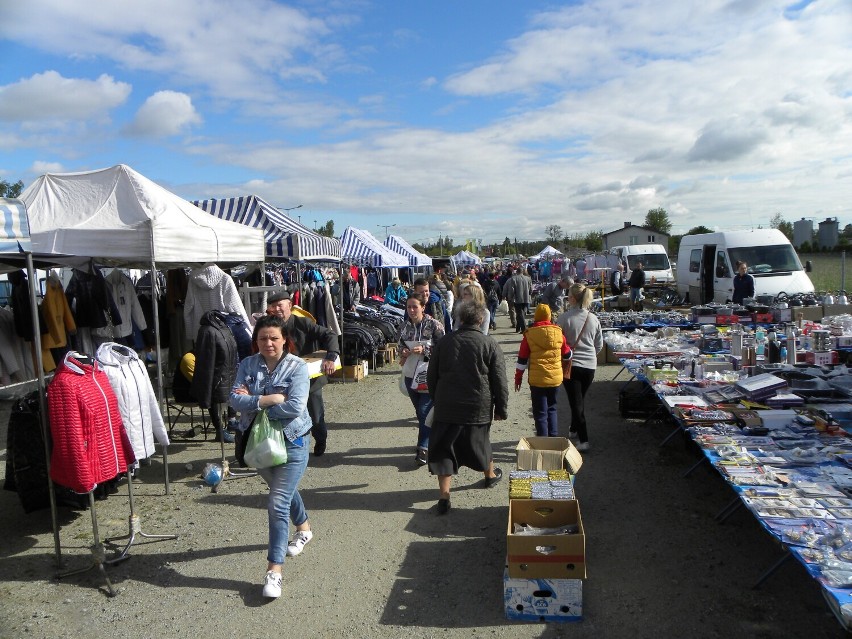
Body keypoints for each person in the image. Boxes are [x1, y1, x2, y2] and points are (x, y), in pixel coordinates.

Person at [229, 315, 314, 599]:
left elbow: (295, 406)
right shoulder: (248, 364)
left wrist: (253, 401)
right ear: (256, 341)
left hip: (293, 441)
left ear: (284, 339)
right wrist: (268, 400)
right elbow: (233, 398)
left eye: (274, 338)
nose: (268, 343)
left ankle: (274, 572)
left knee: (277, 502)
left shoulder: (297, 366)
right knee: (284, 492)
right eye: (263, 338)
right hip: (258, 443)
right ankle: (304, 528)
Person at [427, 300, 508, 514]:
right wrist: (501, 408)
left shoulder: (444, 342)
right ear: (481, 320)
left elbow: (431, 376)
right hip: (477, 406)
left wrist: (437, 399)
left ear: (460, 319)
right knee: (480, 443)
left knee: (444, 448)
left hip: (447, 405)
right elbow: (499, 379)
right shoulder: (489, 343)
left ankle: (444, 497)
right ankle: (489, 476)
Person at [266, 291, 339, 456]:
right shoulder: (268, 326)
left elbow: (329, 334)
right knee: (285, 415)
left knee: (315, 412)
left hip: (309, 379)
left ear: (289, 306)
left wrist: (331, 356)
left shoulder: (302, 322)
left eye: (280, 305)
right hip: (281, 380)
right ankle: (288, 447)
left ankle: (320, 439)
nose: (277, 309)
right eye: (273, 306)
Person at [399, 292, 446, 465]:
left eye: (415, 307)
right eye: (409, 307)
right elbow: (400, 345)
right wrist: (402, 352)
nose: (411, 310)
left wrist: (425, 350)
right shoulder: (404, 326)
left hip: (429, 375)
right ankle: (432, 439)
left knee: (424, 411)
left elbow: (444, 348)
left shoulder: (434, 325)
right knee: (420, 414)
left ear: (422, 307)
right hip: (410, 375)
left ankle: (423, 449)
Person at [556, 283, 603, 451]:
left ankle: (584, 440)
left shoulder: (564, 318)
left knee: (576, 402)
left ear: (573, 298)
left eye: (568, 295)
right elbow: (599, 345)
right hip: (590, 366)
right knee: (579, 399)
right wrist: (590, 356)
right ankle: (574, 428)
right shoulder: (593, 318)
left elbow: (557, 343)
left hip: (571, 365)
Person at [514, 304, 572, 437]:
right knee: (552, 408)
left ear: (536, 317)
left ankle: (543, 443)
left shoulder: (529, 335)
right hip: (555, 379)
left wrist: (518, 378)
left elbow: (522, 360)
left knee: (540, 413)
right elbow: (567, 355)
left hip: (537, 381)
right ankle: (553, 440)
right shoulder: (558, 333)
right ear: (550, 316)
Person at [504, 266, 532, 333]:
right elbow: (531, 289)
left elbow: (512, 290)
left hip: (517, 299)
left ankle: (524, 329)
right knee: (521, 313)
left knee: (519, 313)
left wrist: (510, 297)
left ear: (517, 272)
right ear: (522, 271)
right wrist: (529, 294)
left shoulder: (514, 279)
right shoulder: (528, 278)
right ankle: (518, 328)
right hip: (526, 298)